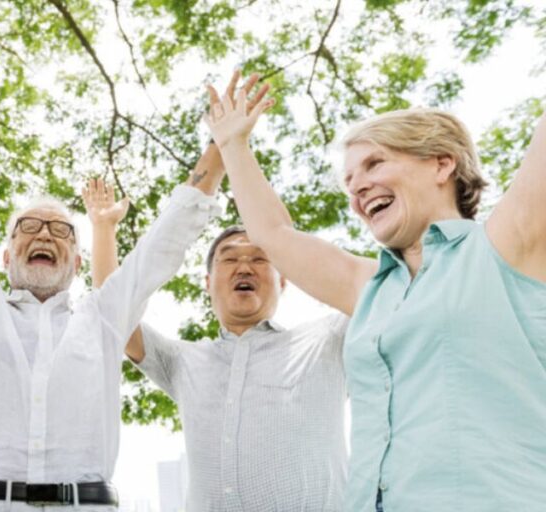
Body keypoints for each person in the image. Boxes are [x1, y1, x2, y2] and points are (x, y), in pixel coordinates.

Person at [0, 31, 233, 510]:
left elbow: (167, 240)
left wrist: (222, 147)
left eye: (61, 230)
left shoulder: (104, 315)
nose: (43, 235)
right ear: (6, 256)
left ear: (78, 262)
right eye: (29, 227)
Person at [205, 74, 546, 510]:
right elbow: (272, 233)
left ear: (442, 164)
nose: (358, 188)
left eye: (375, 164)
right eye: (350, 181)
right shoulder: (369, 288)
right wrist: (233, 145)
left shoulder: (505, 247)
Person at [86, 176, 349, 511]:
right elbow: (114, 312)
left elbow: (379, 286)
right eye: (229, 258)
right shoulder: (182, 360)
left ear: (284, 280)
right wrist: (104, 229)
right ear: (208, 283)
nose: (244, 266)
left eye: (259, 258)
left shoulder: (329, 340)